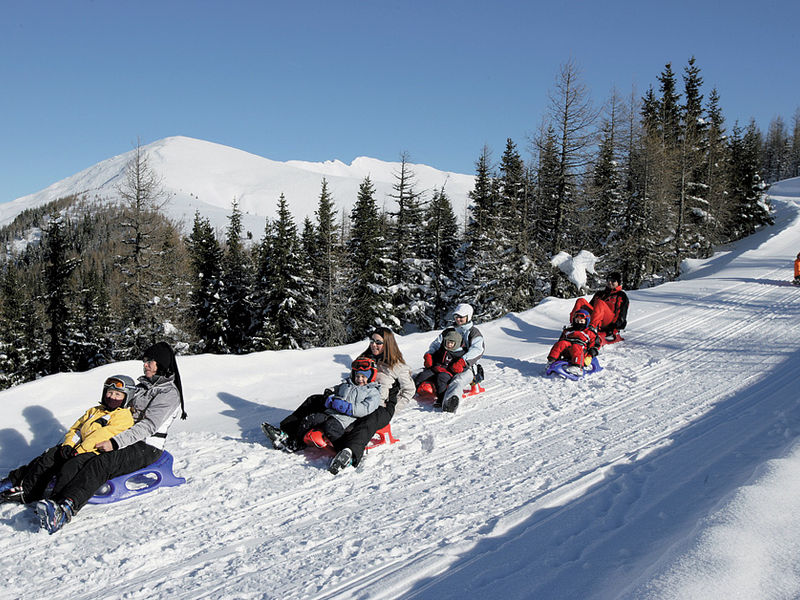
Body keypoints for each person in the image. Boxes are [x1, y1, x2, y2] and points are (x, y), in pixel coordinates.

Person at [31, 341, 185, 534]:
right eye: (144, 361)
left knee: (101, 463)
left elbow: (149, 426)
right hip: (120, 436)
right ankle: (53, 500)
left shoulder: (168, 394)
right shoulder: (141, 387)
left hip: (146, 446)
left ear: (161, 364)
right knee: (80, 457)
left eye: (149, 362)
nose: (145, 365)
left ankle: (66, 509)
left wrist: (114, 442)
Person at [0, 375, 137, 505]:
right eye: (109, 392)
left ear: (126, 397)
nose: (112, 397)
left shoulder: (123, 416)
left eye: (117, 394)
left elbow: (102, 435)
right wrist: (68, 445)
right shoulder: (95, 411)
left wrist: (79, 451)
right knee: (50, 456)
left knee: (69, 468)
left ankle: (56, 501)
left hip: (96, 452)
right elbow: (76, 429)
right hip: (76, 448)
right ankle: (29, 492)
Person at [261, 356, 383, 466]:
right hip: (330, 413)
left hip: (346, 420)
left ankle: (342, 451)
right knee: (311, 419)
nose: (359, 379)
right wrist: (329, 393)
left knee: (330, 427)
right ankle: (294, 442)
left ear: (371, 376)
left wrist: (347, 407)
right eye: (357, 376)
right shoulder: (347, 384)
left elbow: (366, 408)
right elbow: (336, 388)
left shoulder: (372, 392)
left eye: (363, 376)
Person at [328, 327, 414, 474]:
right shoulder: (364, 359)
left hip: (381, 406)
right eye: (372, 341)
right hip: (358, 401)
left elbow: (409, 390)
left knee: (368, 421)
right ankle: (289, 434)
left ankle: (349, 452)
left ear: (387, 344)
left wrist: (393, 408)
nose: (374, 345)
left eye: (378, 342)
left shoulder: (397, 366)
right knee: (319, 401)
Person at [424, 303, 485, 413]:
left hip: (467, 367)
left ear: (468, 316)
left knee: (457, 381)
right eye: (456, 316)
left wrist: (463, 361)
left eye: (461, 317)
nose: (458, 319)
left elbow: (478, 349)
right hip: (445, 365)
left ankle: (450, 402)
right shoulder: (449, 331)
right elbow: (436, 344)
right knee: (424, 372)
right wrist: (429, 354)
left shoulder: (473, 333)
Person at [414, 328, 466, 403]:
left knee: (441, 379)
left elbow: (464, 365)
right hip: (436, 368)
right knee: (422, 375)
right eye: (447, 342)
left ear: (457, 344)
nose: (449, 345)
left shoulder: (459, 353)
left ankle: (441, 399)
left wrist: (459, 368)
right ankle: (412, 391)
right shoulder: (442, 349)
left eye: (451, 343)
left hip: (448, 372)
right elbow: (435, 355)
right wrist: (429, 358)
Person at [547, 309, 601, 376]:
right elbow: (561, 340)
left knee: (576, 346)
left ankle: (577, 367)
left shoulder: (589, 333)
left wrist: (590, 356)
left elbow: (595, 345)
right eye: (577, 321)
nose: (579, 323)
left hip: (581, 352)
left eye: (581, 321)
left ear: (586, 322)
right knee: (561, 343)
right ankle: (552, 361)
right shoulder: (568, 330)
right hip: (567, 351)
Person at [590, 271, 629, 341]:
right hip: (595, 318)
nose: (610, 282)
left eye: (613, 281)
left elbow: (621, 314)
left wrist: (614, 327)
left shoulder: (621, 295)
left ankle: (592, 328)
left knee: (600, 303)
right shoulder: (600, 294)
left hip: (609, 322)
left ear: (618, 282)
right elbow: (590, 307)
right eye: (608, 280)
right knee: (580, 301)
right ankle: (575, 325)